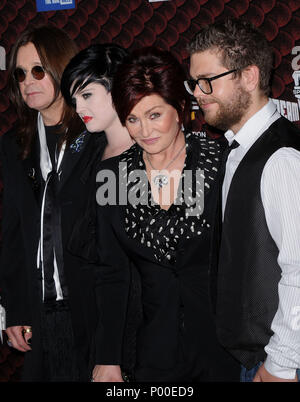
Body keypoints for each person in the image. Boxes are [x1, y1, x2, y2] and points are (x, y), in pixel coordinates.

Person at [91, 46, 240, 382]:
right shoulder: (113, 177)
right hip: (153, 352)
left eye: (154, 114)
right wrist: (107, 356)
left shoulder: (219, 162)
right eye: (133, 118)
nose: (144, 130)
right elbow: (111, 274)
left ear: (180, 108)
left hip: (223, 350)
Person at [186, 18, 300, 382]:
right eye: (194, 83)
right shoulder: (235, 150)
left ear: (249, 77)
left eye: (207, 82)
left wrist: (280, 364)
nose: (198, 94)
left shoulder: (281, 157)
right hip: (251, 357)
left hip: (278, 362)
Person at [0, 26, 116, 382]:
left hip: (96, 307)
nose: (28, 81)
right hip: (41, 307)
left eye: (38, 70)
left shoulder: (98, 135)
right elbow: (15, 231)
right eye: (20, 74)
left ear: (61, 69)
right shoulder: (13, 144)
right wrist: (16, 308)